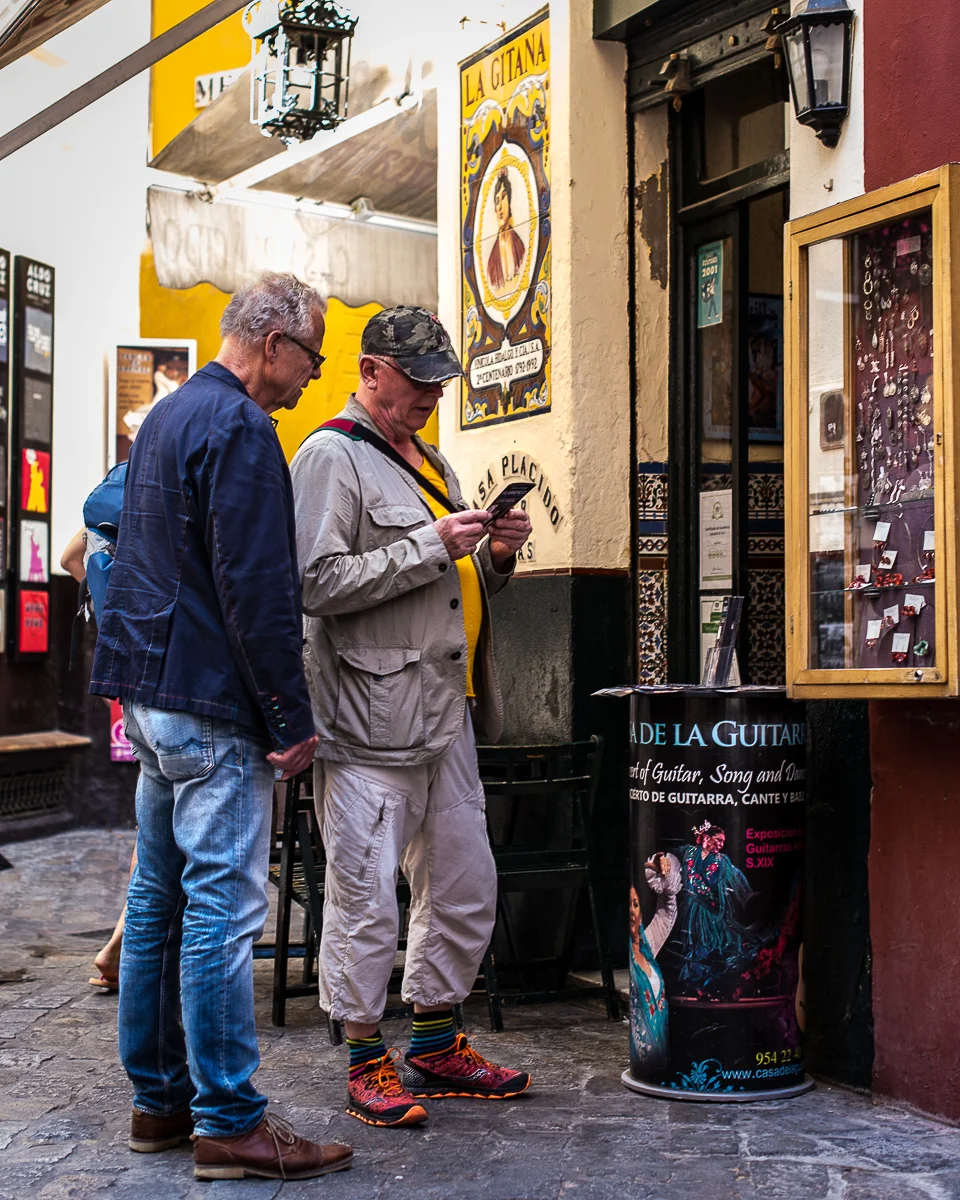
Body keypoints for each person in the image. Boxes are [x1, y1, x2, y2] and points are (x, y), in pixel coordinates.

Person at [89, 272, 353, 1182]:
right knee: (221, 913)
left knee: (158, 901)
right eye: (313, 355)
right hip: (210, 707)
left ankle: (158, 1104)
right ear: (274, 341)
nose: (315, 377)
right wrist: (290, 717)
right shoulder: (242, 428)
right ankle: (230, 1120)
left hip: (158, 698)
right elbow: (258, 589)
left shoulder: (166, 416)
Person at [290, 305, 533, 1129]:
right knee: (367, 895)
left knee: (465, 881)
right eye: (418, 378)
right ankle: (365, 1056)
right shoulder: (329, 456)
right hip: (369, 713)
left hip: (449, 708)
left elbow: (449, 583)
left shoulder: (429, 460)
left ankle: (435, 1039)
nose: (432, 393)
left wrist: (493, 554)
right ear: (370, 371)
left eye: (439, 379)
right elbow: (316, 583)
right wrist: (432, 543)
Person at [628, 852, 681, 1071]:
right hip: (642, 1065)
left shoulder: (648, 945)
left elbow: (668, 910)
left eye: (636, 904)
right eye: (629, 905)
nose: (632, 911)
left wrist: (662, 862)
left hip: (661, 1060)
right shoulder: (629, 953)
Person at [487, 170, 526, 290]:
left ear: (510, 203)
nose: (499, 207)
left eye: (503, 197)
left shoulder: (521, 250)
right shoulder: (491, 263)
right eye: (497, 201)